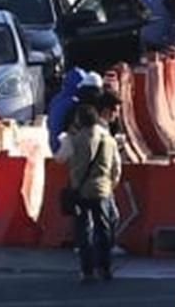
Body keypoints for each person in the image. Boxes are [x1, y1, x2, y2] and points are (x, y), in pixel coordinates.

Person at [55, 102, 121, 283]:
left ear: (79, 120)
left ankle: (87, 270)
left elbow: (59, 158)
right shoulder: (109, 140)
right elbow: (116, 168)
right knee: (104, 230)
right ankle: (105, 268)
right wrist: (110, 185)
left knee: (84, 231)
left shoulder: (74, 140)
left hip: (81, 191)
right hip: (103, 191)